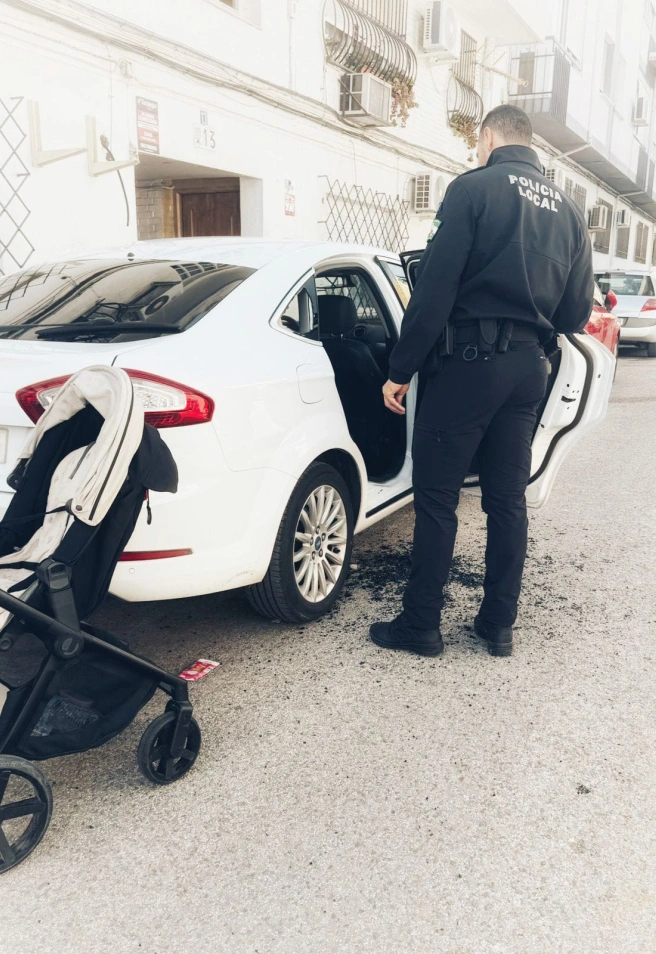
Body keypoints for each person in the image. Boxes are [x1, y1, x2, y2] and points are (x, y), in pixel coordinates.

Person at [370, 104, 593, 658]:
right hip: (527, 375)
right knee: (505, 500)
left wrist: (400, 370)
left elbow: (434, 290)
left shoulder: (473, 190)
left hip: (468, 365)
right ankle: (498, 626)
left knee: (439, 499)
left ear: (489, 137)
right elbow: (574, 315)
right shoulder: (569, 211)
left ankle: (420, 626)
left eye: (477, 144)